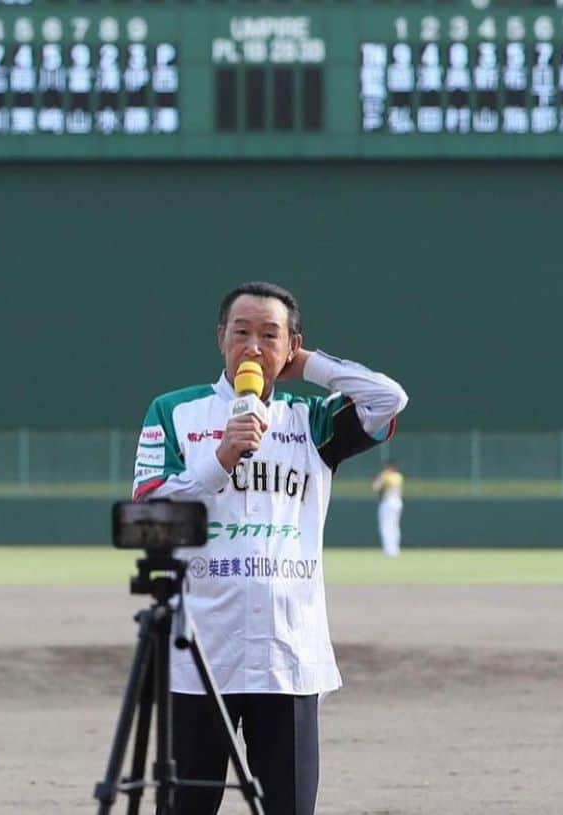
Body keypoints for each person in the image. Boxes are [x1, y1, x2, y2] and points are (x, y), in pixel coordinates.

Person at [131, 281, 408, 815]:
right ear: (219, 339)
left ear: (291, 344)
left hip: (289, 653)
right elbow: (146, 509)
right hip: (199, 655)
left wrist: (308, 366)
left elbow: (388, 398)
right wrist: (219, 460)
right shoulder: (174, 411)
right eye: (241, 333)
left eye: (269, 335)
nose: (252, 347)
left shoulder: (312, 421)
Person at [371, 460, 404, 557]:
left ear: (388, 467)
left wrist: (375, 480)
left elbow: (375, 487)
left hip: (387, 502)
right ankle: (395, 549)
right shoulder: (398, 476)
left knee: (386, 526)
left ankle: (389, 550)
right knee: (395, 526)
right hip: (397, 502)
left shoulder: (385, 475)